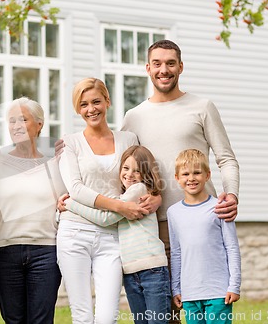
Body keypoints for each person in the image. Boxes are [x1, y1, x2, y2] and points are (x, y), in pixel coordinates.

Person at [121, 40, 240, 324]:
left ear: (181, 67)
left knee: (206, 309)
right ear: (148, 69)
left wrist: (232, 194)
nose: (164, 70)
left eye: (171, 63)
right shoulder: (134, 117)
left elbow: (226, 158)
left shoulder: (202, 107)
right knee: (166, 315)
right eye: (158, 64)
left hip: (201, 224)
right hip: (153, 227)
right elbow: (122, 169)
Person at [57, 77, 159, 324]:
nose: (90, 109)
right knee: (82, 315)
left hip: (113, 235)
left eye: (96, 102)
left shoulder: (128, 139)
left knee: (106, 316)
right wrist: (120, 206)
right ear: (77, 109)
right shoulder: (70, 143)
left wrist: (156, 198)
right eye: (83, 105)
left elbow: (143, 177)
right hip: (74, 233)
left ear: (107, 102)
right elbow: (76, 188)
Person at [64, 145, 171, 324]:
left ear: (146, 174)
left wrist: (70, 203)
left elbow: (104, 218)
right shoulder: (125, 195)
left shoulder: (138, 190)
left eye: (137, 170)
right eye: (126, 168)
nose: (130, 174)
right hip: (131, 272)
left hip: (152, 271)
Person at [0, 97, 64, 323]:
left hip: (46, 252)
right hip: (6, 250)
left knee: (41, 320)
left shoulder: (56, 163)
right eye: (11, 121)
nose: (16, 126)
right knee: (13, 320)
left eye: (23, 119)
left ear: (39, 124)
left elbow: (70, 200)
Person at [167, 149, 241, 324]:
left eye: (197, 173)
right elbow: (176, 252)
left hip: (219, 292)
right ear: (177, 178)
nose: (191, 178)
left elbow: (231, 247)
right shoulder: (173, 212)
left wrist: (234, 285)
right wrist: (175, 288)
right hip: (190, 293)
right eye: (185, 174)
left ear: (207, 175)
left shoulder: (220, 207)